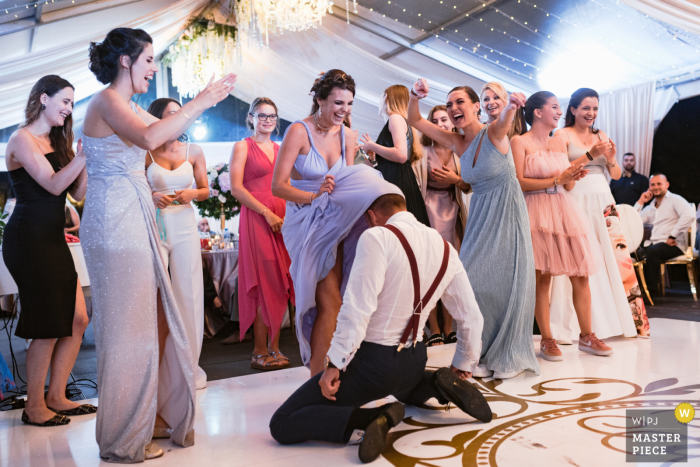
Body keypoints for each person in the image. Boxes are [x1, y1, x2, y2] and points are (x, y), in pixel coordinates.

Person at [81, 27, 235, 462]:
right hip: (115, 222)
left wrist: (203, 98)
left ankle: (154, 416)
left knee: (152, 325)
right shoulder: (108, 101)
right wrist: (202, 101)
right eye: (149, 60)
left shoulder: (125, 105)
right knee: (129, 331)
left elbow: (169, 134)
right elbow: (152, 139)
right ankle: (123, 435)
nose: (153, 68)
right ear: (126, 61)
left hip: (133, 216)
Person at [269, 194, 490, 463]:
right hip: (414, 361)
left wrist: (335, 364)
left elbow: (356, 309)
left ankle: (374, 416)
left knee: (281, 423)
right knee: (402, 386)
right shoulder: (445, 247)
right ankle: (437, 384)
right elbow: (471, 316)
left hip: (373, 366)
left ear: (372, 216)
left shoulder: (376, 238)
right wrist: (464, 361)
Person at [272, 70, 402, 376]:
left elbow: (346, 180)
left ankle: (340, 373)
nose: (344, 110)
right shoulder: (298, 132)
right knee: (327, 301)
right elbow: (278, 186)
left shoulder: (346, 134)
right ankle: (318, 380)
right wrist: (315, 194)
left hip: (340, 222)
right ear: (319, 100)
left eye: (349, 104)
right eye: (338, 103)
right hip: (306, 222)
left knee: (345, 298)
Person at [408, 79, 538, 380]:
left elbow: (504, 121)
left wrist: (510, 107)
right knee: (474, 283)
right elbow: (414, 119)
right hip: (480, 213)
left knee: (505, 283)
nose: (454, 108)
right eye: (450, 103)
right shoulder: (455, 141)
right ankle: (482, 351)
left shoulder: (492, 131)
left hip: (506, 213)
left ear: (476, 106)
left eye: (460, 102)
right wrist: (415, 95)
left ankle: (508, 356)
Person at [3, 75, 90, 427]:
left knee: (78, 319)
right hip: (28, 238)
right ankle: (34, 406)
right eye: (65, 102)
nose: (69, 110)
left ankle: (57, 396)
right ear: (43, 98)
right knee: (47, 324)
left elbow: (77, 194)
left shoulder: (58, 141)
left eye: (72, 104)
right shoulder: (20, 138)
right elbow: (54, 185)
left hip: (53, 236)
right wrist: (80, 158)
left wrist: (85, 157)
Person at [511, 91, 613, 362]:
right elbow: (518, 183)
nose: (559, 112)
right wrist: (558, 179)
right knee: (542, 278)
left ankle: (587, 335)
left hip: (564, 209)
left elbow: (566, 184)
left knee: (580, 273)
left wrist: (572, 175)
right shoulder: (519, 141)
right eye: (554, 107)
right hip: (536, 212)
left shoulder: (558, 143)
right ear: (538, 112)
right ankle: (547, 339)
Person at [549, 88, 637, 344]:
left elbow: (617, 174)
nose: (591, 113)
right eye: (586, 108)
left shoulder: (601, 135)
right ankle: (578, 326)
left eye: (595, 108)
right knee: (581, 260)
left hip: (604, 199)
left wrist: (610, 158)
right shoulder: (561, 134)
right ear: (573, 109)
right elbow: (560, 171)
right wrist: (590, 155)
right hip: (576, 197)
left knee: (613, 258)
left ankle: (617, 320)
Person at [145, 97, 210, 393]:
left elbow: (206, 190)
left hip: (184, 223)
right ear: (158, 118)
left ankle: (189, 365)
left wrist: (192, 194)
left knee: (190, 292)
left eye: (181, 114)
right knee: (153, 293)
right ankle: (152, 368)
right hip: (155, 225)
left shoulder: (193, 150)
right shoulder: (144, 150)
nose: (179, 118)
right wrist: (152, 196)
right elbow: (134, 188)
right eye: (172, 113)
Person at [229, 97, 294, 371]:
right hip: (257, 216)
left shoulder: (281, 149)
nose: (267, 120)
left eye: (272, 116)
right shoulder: (242, 146)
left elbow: (288, 184)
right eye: (262, 115)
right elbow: (236, 188)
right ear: (251, 118)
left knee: (280, 281)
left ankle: (275, 348)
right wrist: (266, 213)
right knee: (262, 281)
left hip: (282, 217)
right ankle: (258, 351)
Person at [413, 104, 470, 346]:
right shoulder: (421, 150)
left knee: (450, 272)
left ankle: (449, 329)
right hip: (427, 212)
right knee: (429, 272)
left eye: (444, 120)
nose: (441, 125)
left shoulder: (460, 149)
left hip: (454, 210)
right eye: (435, 121)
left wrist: (454, 179)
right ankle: (433, 329)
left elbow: (469, 186)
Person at [360, 84, 430, 226]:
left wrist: (372, 145)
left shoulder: (395, 118)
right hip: (397, 177)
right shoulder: (401, 120)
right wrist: (371, 156)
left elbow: (401, 155)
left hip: (397, 180)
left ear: (385, 97)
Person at [634, 174, 695, 292]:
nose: (655, 187)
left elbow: (689, 215)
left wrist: (673, 235)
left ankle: (650, 292)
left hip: (673, 245)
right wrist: (641, 202)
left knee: (653, 251)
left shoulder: (675, 199)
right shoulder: (650, 207)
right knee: (630, 252)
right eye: (652, 184)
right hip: (654, 244)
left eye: (659, 184)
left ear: (667, 185)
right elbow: (633, 221)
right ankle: (635, 291)